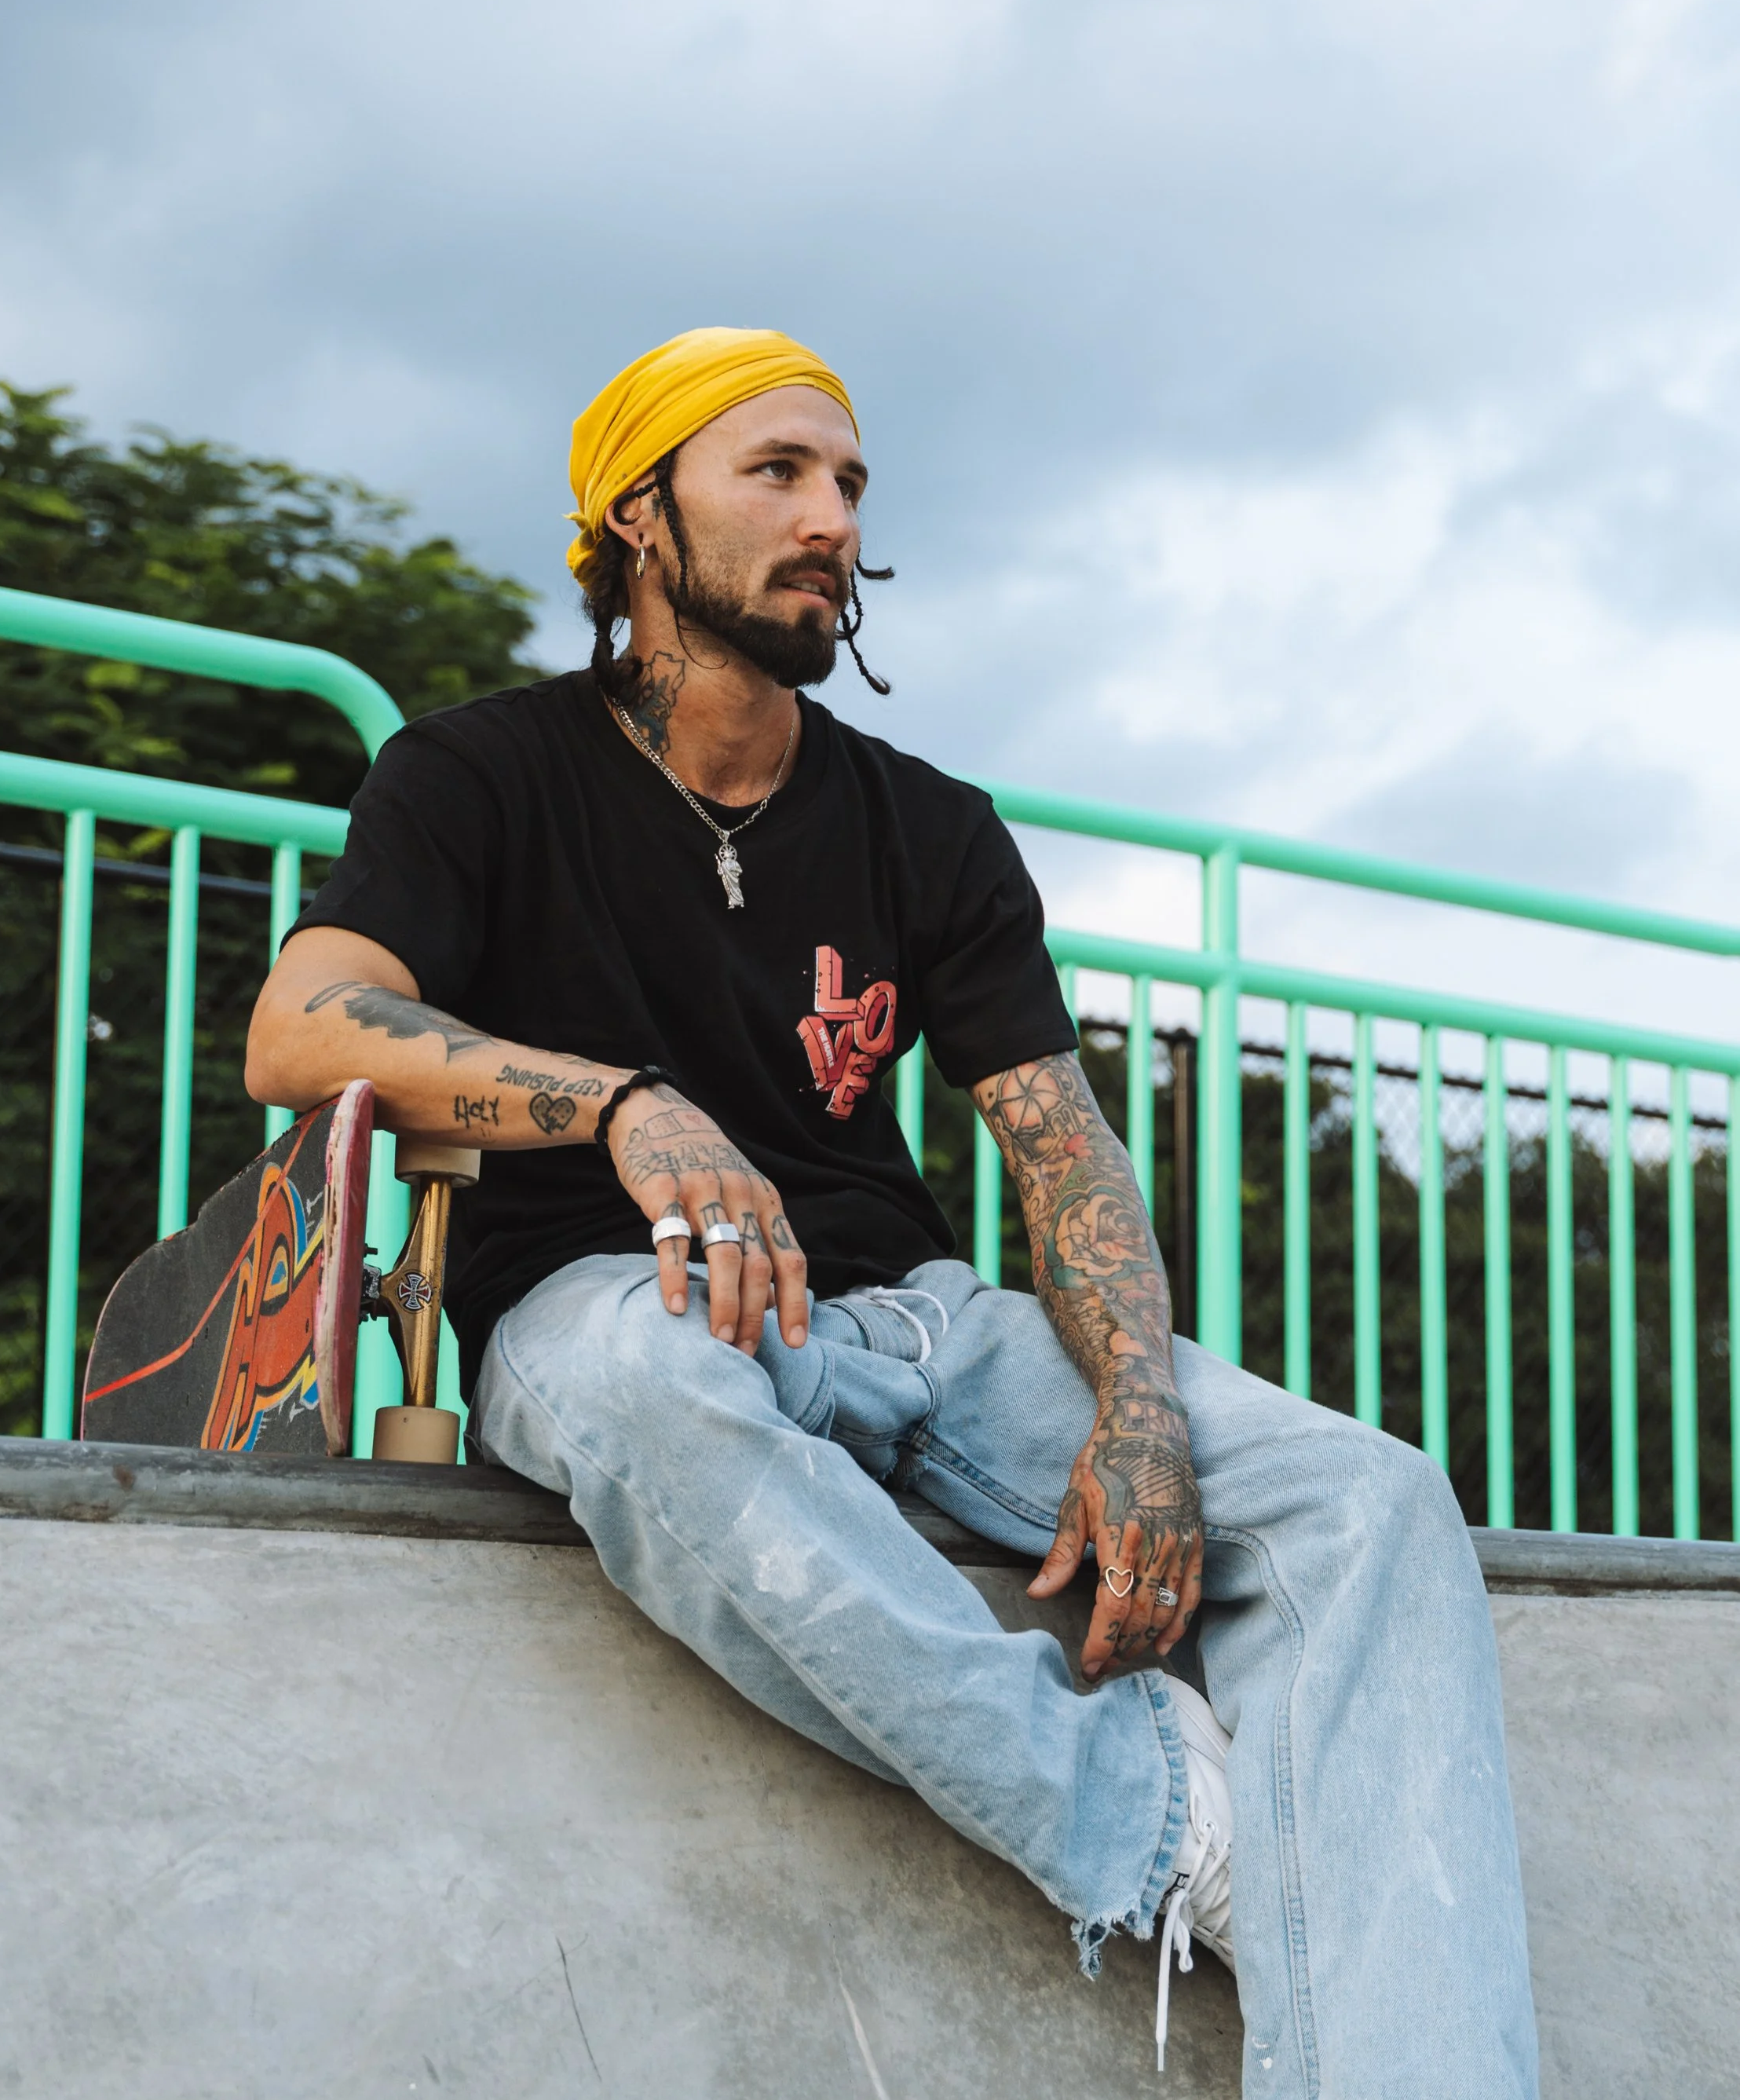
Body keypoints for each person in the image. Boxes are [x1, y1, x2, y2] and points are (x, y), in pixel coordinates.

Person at [245, 327, 1538, 2095]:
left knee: (1370, 1501)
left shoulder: (930, 826)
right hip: (621, 1309)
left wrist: (1143, 1412)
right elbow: (301, 1025)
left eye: (846, 483)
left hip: (921, 1320)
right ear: (635, 514)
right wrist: (622, 1103)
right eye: (772, 472)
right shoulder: (479, 774)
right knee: (643, 1398)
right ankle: (1161, 1819)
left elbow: (1058, 1144)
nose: (827, 517)